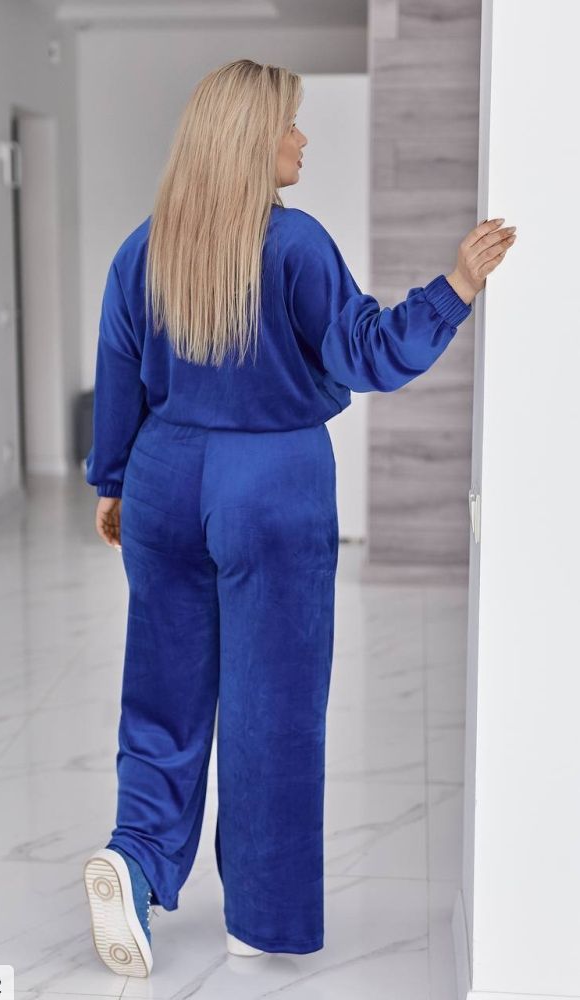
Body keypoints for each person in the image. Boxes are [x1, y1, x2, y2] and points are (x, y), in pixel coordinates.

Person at [81, 58, 516, 979]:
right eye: (289, 125)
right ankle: (263, 918)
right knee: (271, 707)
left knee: (161, 693)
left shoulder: (144, 248)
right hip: (270, 484)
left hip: (164, 477)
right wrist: (456, 287)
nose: (301, 139)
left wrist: (111, 481)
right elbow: (367, 352)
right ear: (251, 141)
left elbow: (118, 369)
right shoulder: (294, 245)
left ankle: (135, 859)